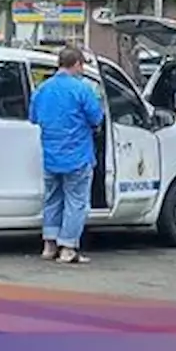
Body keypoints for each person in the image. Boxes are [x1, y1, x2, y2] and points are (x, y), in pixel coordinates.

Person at [29, 46, 104, 264]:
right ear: (78, 64)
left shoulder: (43, 89)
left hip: (51, 156)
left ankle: (49, 245)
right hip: (77, 156)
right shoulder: (82, 89)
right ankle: (68, 248)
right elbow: (96, 118)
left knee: (52, 199)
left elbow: (33, 117)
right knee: (75, 202)